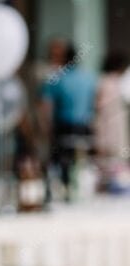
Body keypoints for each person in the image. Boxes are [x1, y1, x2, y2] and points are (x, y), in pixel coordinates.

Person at [40, 44, 97, 193]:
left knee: (62, 161)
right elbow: (95, 103)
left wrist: (46, 127)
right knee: (83, 162)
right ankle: (83, 190)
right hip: (85, 126)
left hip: (64, 126)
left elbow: (46, 105)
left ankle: (66, 190)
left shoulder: (57, 77)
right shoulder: (88, 77)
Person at [95, 52, 129, 159]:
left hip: (112, 126)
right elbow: (100, 106)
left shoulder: (106, 81)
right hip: (108, 126)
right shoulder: (110, 82)